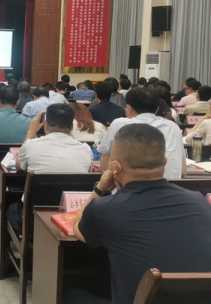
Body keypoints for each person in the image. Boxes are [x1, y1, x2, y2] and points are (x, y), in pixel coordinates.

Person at [71, 124, 211, 304]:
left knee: (71, 294)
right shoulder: (198, 202)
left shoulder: (105, 210)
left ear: (115, 168)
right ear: (165, 162)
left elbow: (77, 225)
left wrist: (100, 189)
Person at [7, 104, 92, 232]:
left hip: (32, 218)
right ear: (71, 127)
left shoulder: (31, 145)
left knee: (10, 206)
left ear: (45, 124)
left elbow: (19, 165)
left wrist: (31, 132)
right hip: (71, 218)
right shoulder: (85, 149)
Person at [97, 88, 186, 179]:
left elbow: (104, 167)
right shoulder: (173, 127)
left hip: (127, 187)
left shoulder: (118, 124)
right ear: (157, 109)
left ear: (128, 108)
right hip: (171, 186)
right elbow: (183, 171)